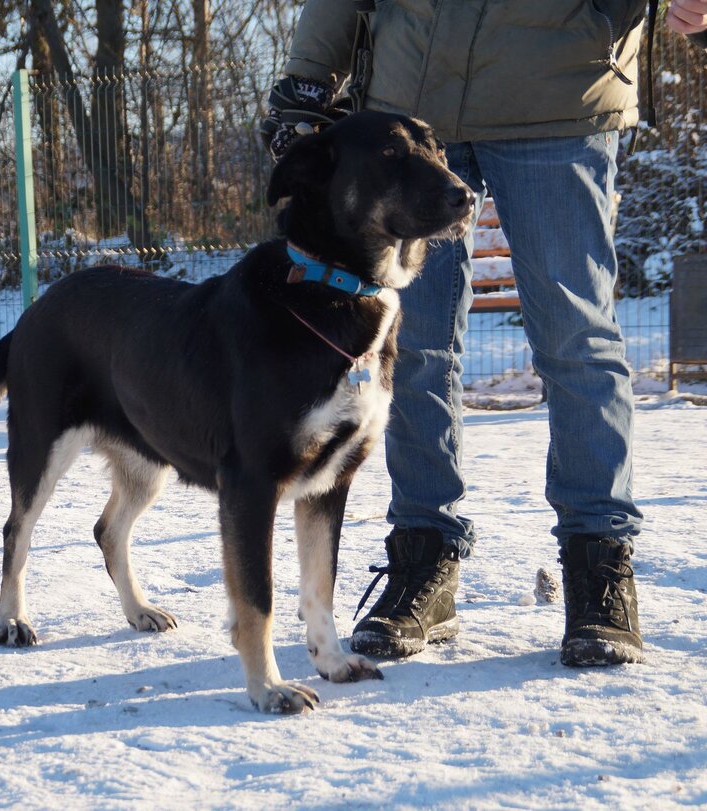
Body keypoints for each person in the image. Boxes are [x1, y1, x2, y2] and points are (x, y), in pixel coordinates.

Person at [261, 0, 707, 667]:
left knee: (576, 339)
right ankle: (424, 558)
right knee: (409, 348)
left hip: (561, 81)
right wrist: (307, 75)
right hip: (413, 92)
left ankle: (599, 567)